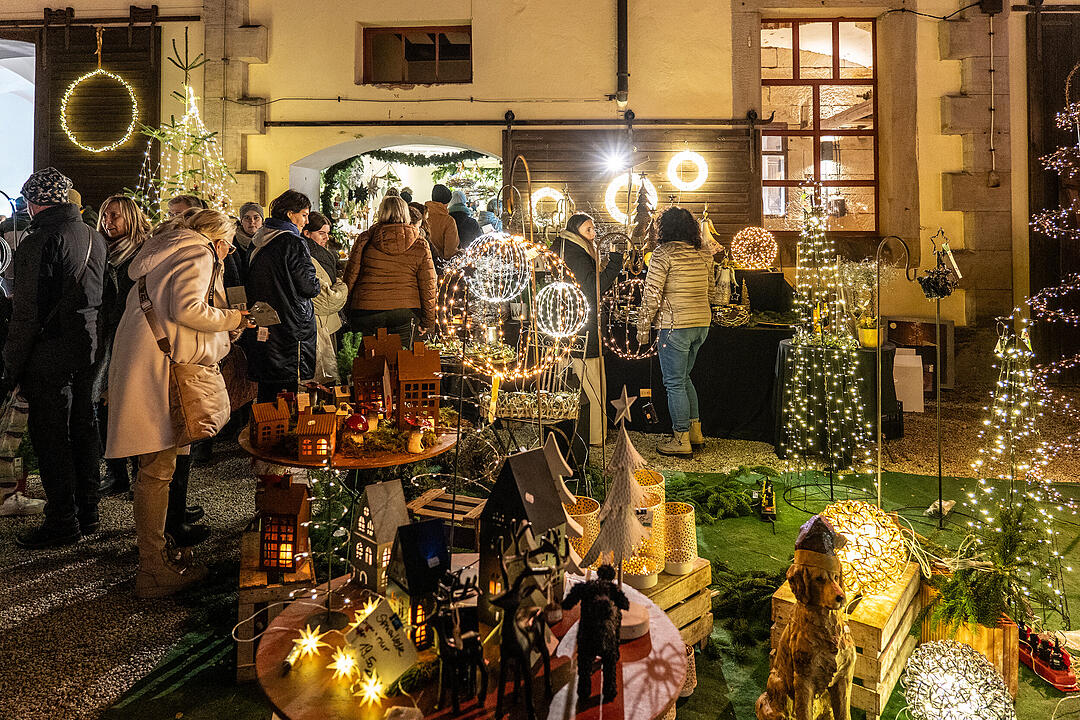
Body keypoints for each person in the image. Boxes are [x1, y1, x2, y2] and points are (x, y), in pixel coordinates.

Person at [106, 208, 251, 596]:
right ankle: (152, 567)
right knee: (157, 467)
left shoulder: (167, 250)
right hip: (159, 368)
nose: (229, 253)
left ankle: (157, 556)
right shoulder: (199, 253)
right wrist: (232, 319)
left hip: (148, 360)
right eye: (229, 245)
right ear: (217, 239)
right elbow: (188, 309)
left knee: (156, 465)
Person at [3, 167, 106, 548]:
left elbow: (27, 313)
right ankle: (89, 512)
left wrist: (11, 367)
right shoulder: (92, 235)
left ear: (33, 202)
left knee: (51, 437)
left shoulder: (39, 240)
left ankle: (63, 520)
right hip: (89, 348)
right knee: (83, 429)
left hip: (51, 353)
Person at [636, 207, 721, 457]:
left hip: (675, 326)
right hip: (701, 324)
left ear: (664, 228)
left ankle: (680, 438)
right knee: (684, 379)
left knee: (674, 383)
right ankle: (695, 433)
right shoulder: (704, 254)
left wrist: (642, 328)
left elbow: (652, 295)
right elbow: (711, 291)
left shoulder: (662, 254)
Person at [549, 212, 622, 448]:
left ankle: (575, 432)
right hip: (581, 328)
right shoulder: (576, 253)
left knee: (575, 377)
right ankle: (590, 433)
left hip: (570, 323)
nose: (594, 235)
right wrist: (615, 264)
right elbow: (593, 288)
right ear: (576, 230)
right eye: (589, 230)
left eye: (594, 229)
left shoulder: (568, 249)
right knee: (586, 379)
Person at [95, 195, 151, 497]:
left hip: (131, 338)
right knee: (104, 405)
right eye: (105, 215)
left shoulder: (142, 254)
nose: (109, 222)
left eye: (115, 216)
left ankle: (138, 474)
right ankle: (116, 472)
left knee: (131, 405)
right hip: (107, 338)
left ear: (130, 217)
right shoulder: (104, 252)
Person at [245, 190, 320, 402]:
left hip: (264, 322)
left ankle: (265, 428)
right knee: (287, 392)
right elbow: (308, 287)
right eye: (304, 215)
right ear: (290, 214)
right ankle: (284, 432)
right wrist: (317, 283)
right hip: (290, 326)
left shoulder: (258, 240)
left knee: (267, 390)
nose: (306, 221)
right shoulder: (293, 243)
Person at [343, 196, 436, 348]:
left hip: (366, 309)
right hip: (404, 310)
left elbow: (351, 275)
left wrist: (346, 307)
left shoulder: (365, 239)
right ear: (406, 213)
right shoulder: (420, 244)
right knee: (401, 360)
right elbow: (428, 285)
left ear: (381, 212)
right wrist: (428, 321)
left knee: (367, 362)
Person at [302, 212, 347, 384]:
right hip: (319, 326)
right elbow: (326, 299)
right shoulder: (308, 257)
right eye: (321, 233)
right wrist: (343, 286)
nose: (326, 238)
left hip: (328, 324)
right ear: (307, 233)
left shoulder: (324, 255)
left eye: (327, 233)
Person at [226, 201, 263, 288]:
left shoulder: (269, 240)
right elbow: (231, 275)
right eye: (247, 218)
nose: (252, 221)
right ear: (241, 221)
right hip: (240, 291)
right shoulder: (231, 241)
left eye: (256, 217)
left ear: (262, 220)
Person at [424, 184, 460, 261]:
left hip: (422, 263)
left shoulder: (421, 216)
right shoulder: (448, 221)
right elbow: (450, 252)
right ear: (446, 203)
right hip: (439, 265)